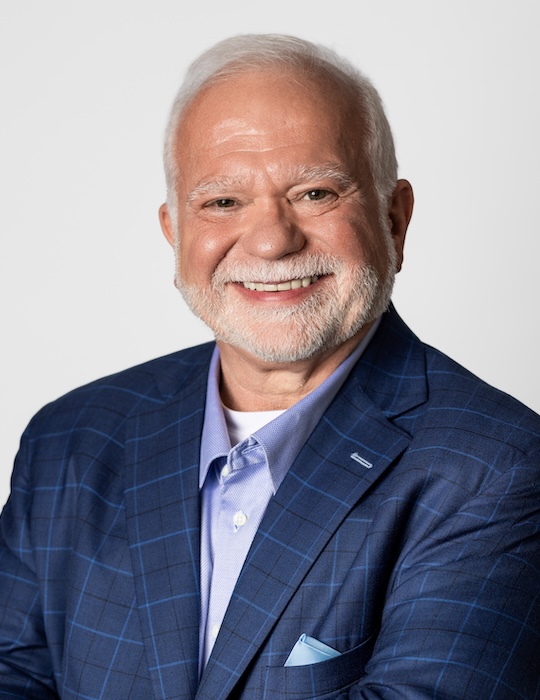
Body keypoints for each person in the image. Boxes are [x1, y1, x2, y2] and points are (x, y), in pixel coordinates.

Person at [0, 33, 538, 700]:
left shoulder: (495, 469)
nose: (271, 240)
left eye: (314, 192)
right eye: (222, 202)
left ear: (394, 221)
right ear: (175, 234)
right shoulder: (70, 439)